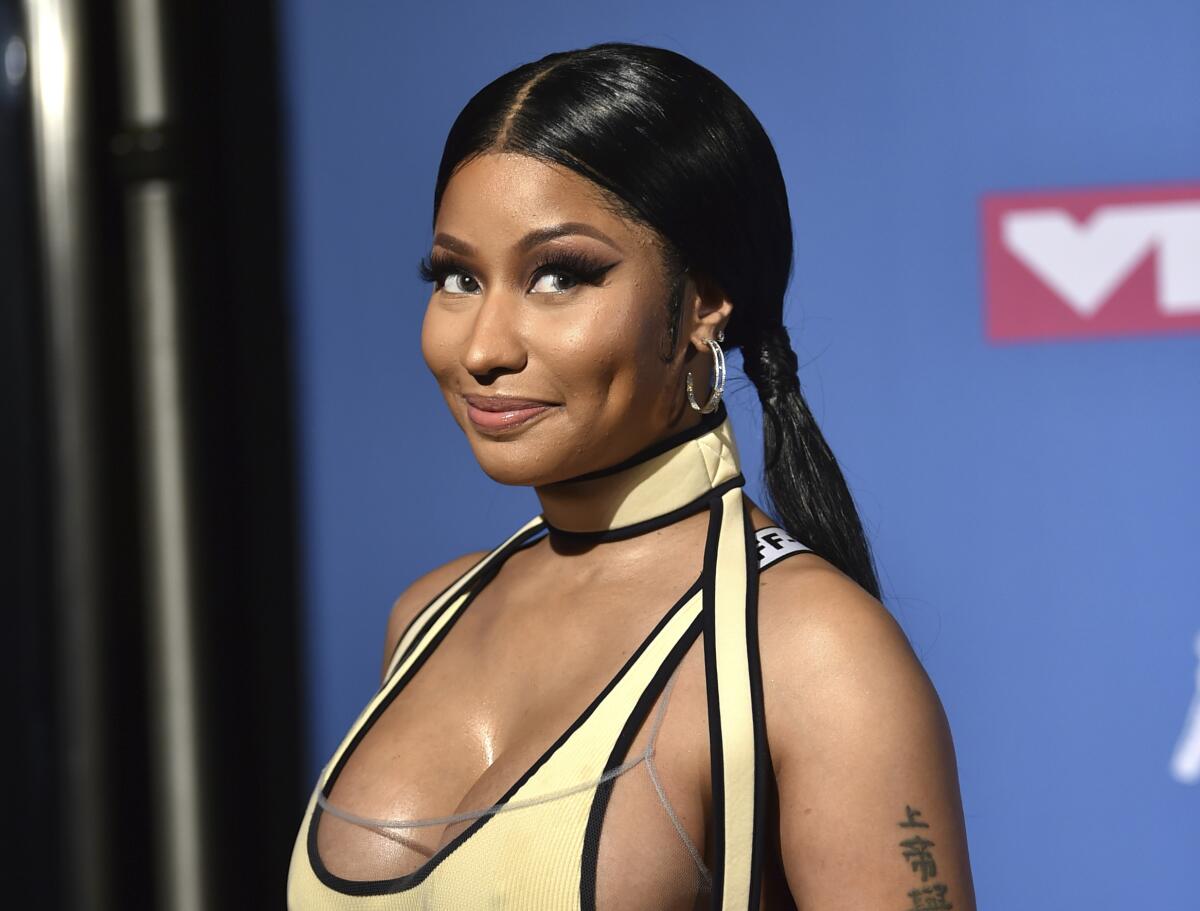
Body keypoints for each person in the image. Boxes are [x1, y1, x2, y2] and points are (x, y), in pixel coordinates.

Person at [287, 41, 976, 911]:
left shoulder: (813, 653)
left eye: (559, 276)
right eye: (457, 276)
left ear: (703, 299)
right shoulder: (425, 616)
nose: (483, 346)